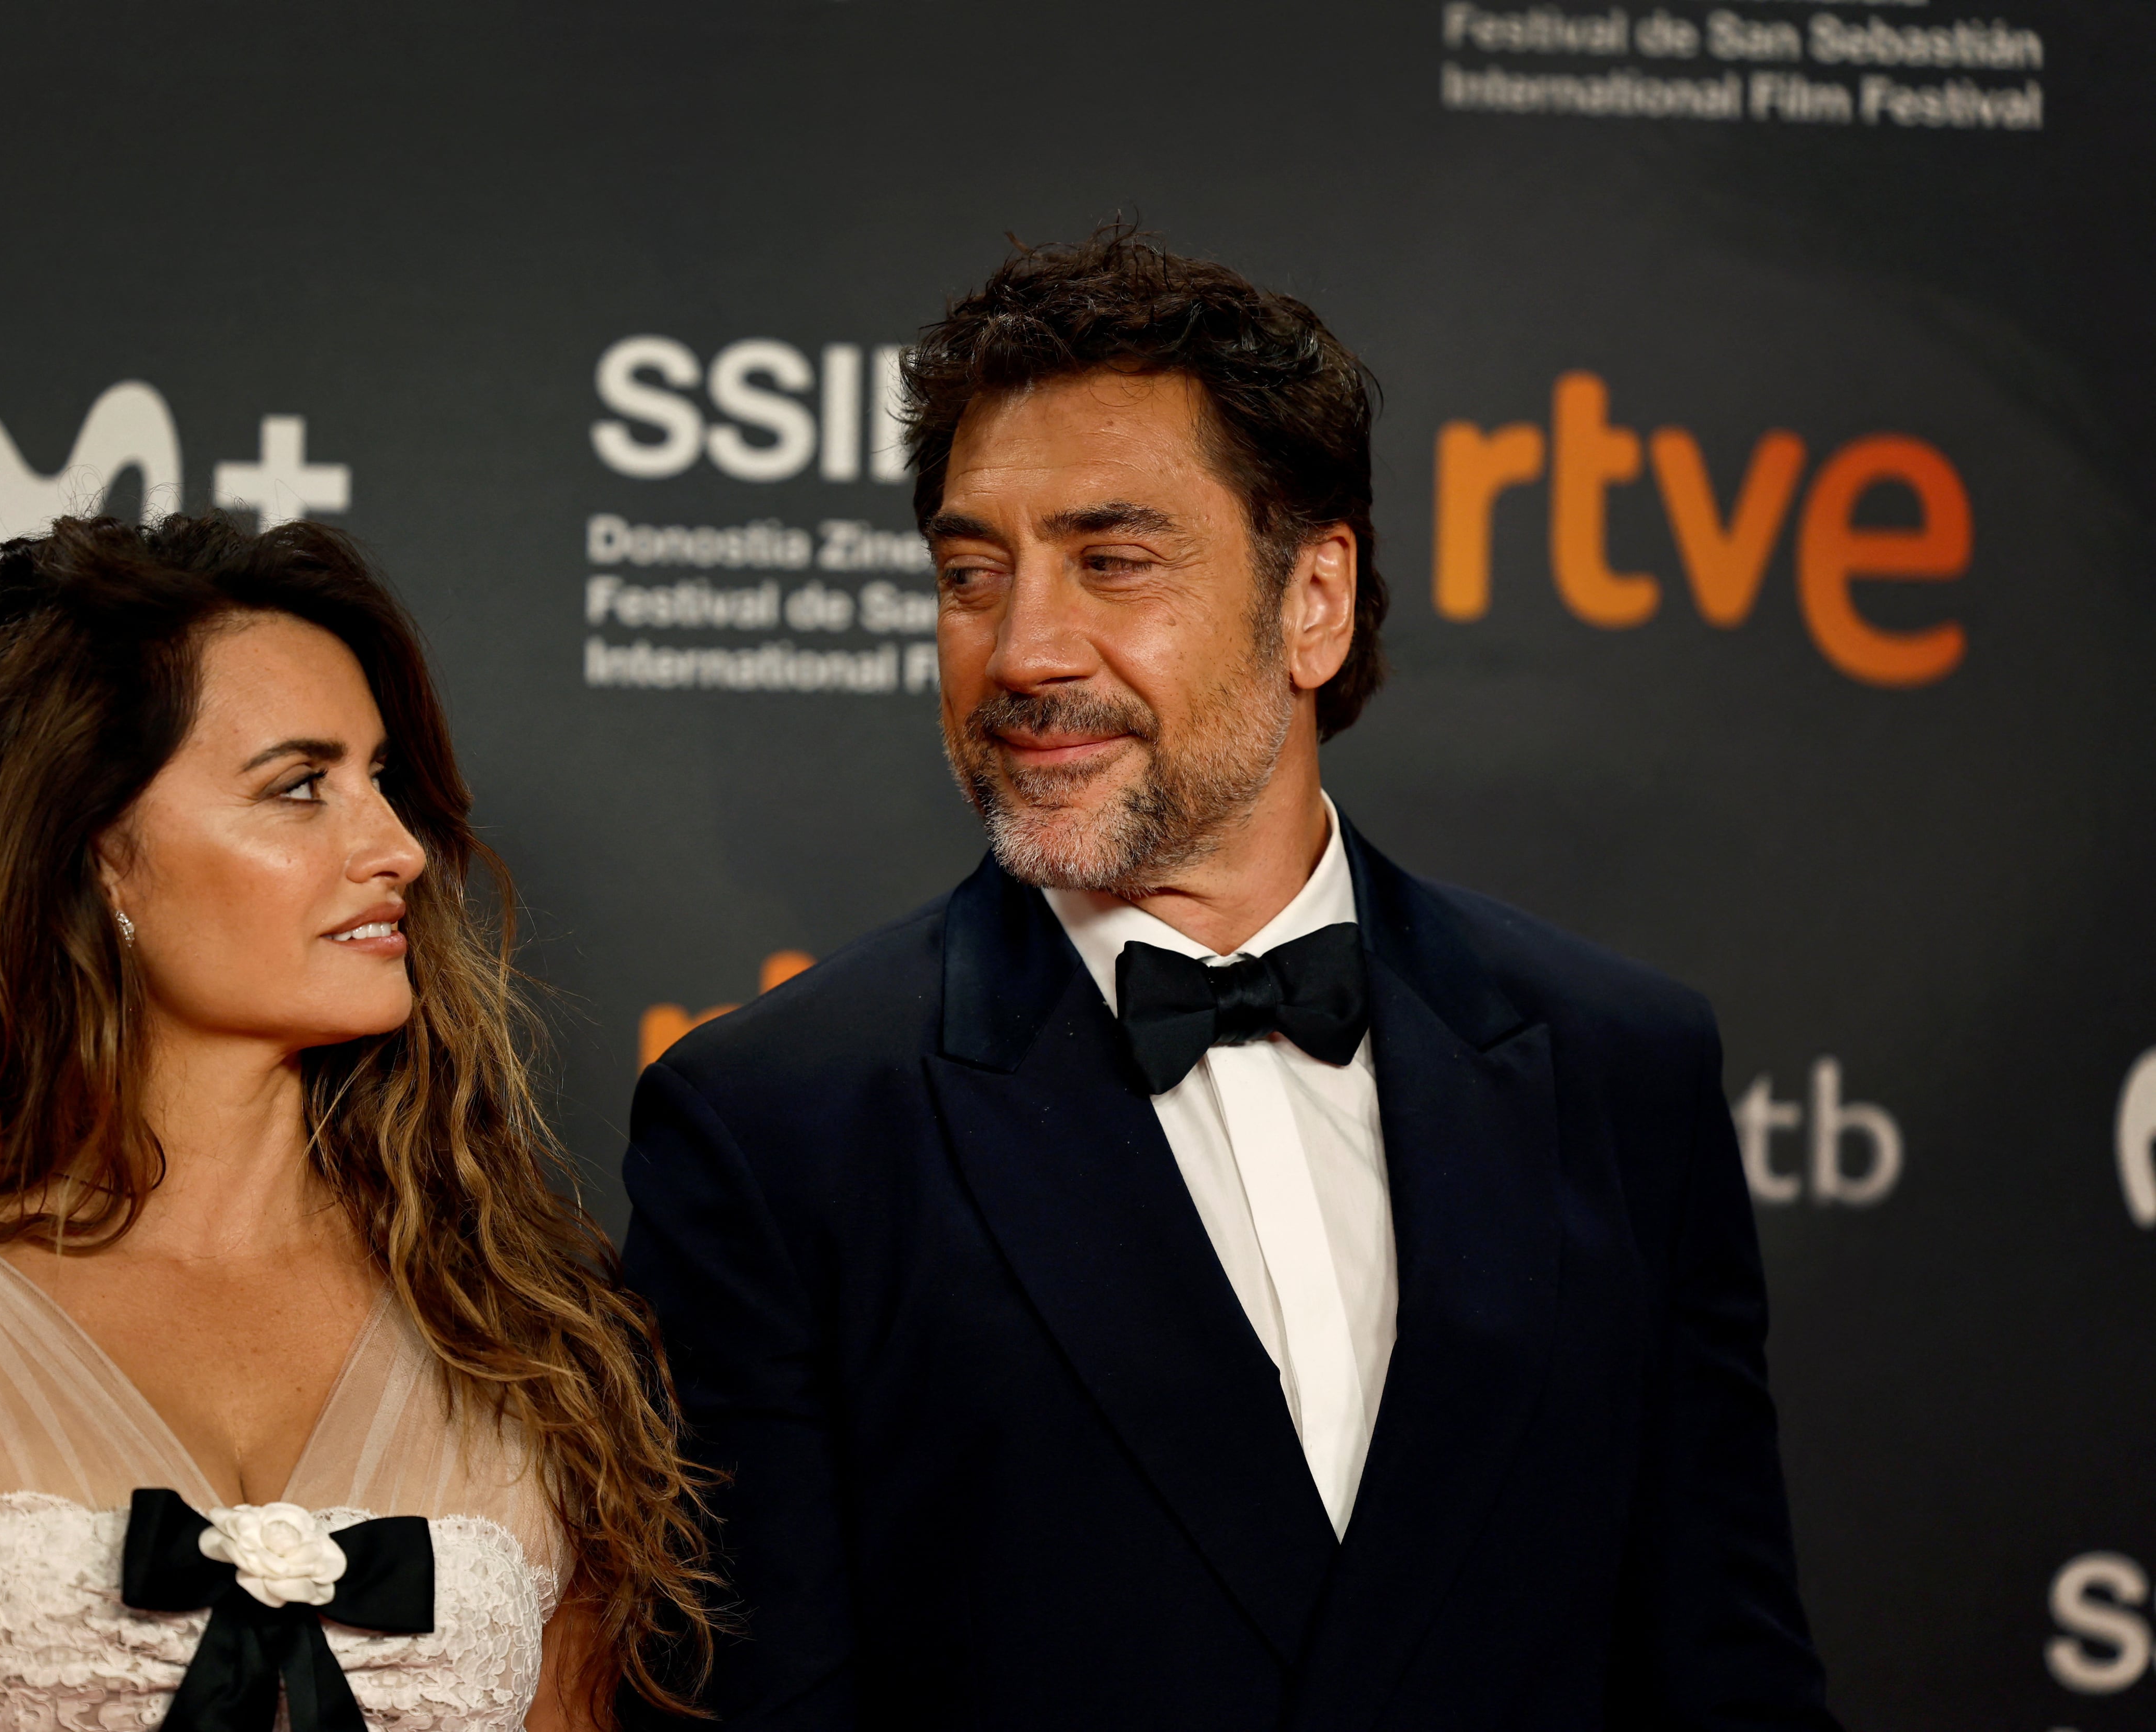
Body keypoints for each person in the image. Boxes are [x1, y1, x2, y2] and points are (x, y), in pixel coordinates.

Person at [620, 231, 1839, 1730]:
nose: (1020, 649)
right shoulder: (776, 1124)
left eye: (1112, 560)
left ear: (1313, 598)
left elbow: (1727, 1675)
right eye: (968, 573)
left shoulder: (1617, 1062)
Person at [0, 516, 714, 1732]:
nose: (399, 848)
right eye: (300, 787)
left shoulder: (520, 1337)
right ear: (100, 854)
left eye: (383, 781)